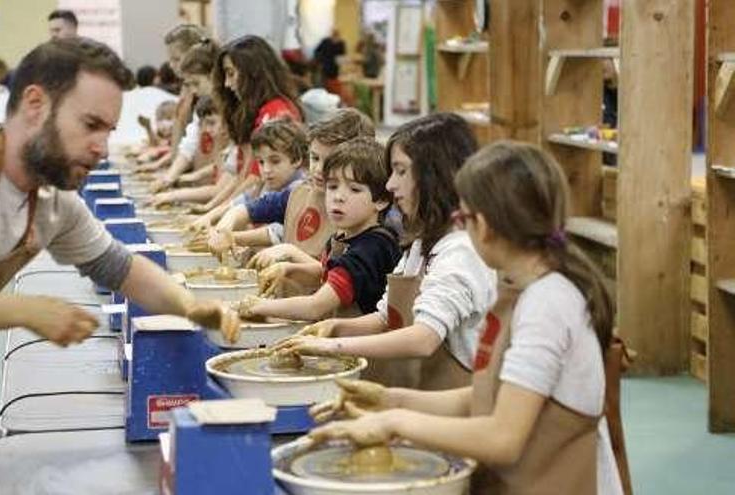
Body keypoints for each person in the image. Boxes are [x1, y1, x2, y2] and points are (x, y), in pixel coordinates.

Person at [0, 38, 239, 494]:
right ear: (35, 104)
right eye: (91, 125)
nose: (101, 147)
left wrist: (192, 306)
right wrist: (27, 311)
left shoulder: (52, 203)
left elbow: (121, 267)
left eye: (109, 131)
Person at [308, 141, 624, 495]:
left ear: (484, 225)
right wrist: (389, 399)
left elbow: (503, 438)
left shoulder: (547, 305)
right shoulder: (519, 288)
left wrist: (395, 423)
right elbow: (482, 398)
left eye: (463, 219)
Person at [274, 113, 496, 390]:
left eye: (400, 171)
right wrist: (334, 329)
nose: (390, 184)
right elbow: (385, 318)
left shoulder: (461, 251)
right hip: (415, 395)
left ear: (434, 175)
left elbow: (424, 338)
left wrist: (335, 346)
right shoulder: (421, 244)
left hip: (453, 403)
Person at [238, 137, 401, 321]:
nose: (338, 197)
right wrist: (289, 270)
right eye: (332, 187)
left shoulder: (372, 248)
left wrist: (258, 306)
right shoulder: (343, 236)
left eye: (354, 190)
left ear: (381, 200)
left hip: (362, 345)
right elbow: (329, 277)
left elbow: (315, 307)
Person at [188, 35, 303, 230]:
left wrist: (217, 214)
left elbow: (253, 181)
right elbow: (244, 177)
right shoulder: (258, 111)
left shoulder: (275, 112)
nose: (226, 83)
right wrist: (214, 212)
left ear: (252, 74)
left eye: (231, 73)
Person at [245, 108, 375, 272]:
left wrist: (290, 252)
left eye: (329, 162)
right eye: (314, 158)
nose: (318, 169)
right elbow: (252, 208)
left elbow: (338, 278)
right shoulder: (301, 191)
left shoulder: (362, 217)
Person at [206, 118, 309, 254]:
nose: (266, 169)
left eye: (275, 161)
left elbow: (277, 232)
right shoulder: (266, 185)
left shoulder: (301, 189)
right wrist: (210, 220)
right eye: (261, 162)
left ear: (296, 159)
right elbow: (240, 205)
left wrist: (228, 237)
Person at [137, 39, 220, 188]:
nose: (193, 90)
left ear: (213, 75)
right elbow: (189, 145)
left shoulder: (226, 109)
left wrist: (174, 178)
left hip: (214, 190)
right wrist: (169, 177)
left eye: (196, 83)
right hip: (204, 187)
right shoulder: (199, 104)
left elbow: (228, 165)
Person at [149, 95, 231, 205]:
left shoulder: (232, 146)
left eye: (211, 123)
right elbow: (221, 165)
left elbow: (216, 190)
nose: (206, 129)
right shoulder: (223, 145)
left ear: (228, 122)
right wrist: (195, 176)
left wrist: (173, 196)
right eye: (203, 124)